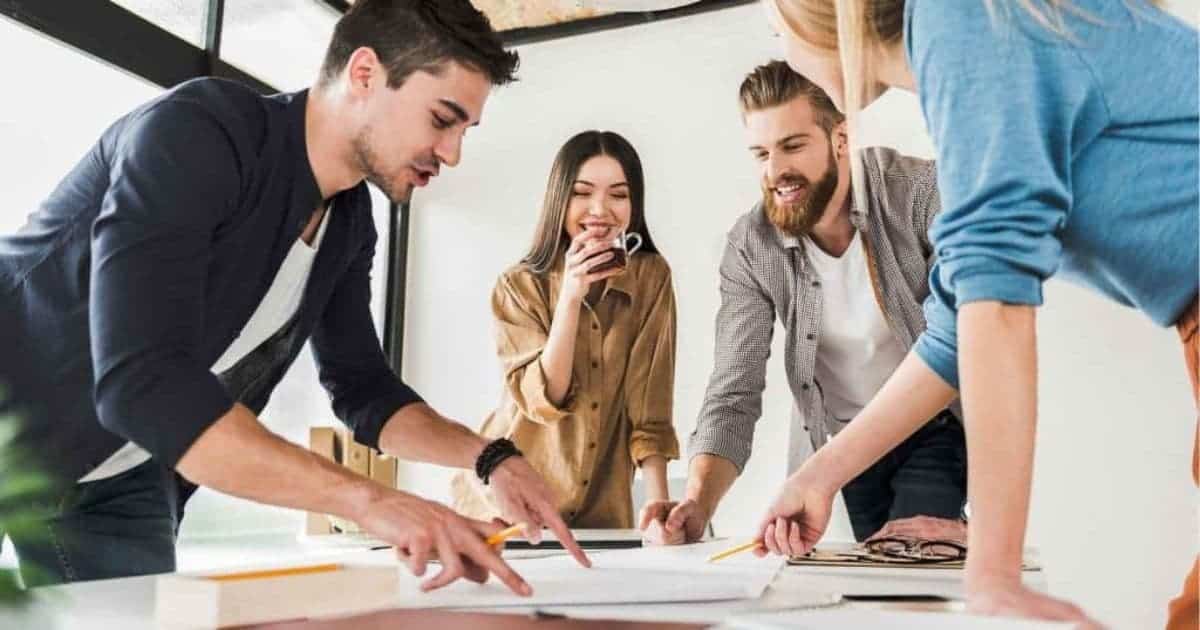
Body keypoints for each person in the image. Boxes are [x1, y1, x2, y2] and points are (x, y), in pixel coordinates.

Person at [0, 0, 590, 592]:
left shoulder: (351, 222)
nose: (453, 152)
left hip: (116, 473)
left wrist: (490, 458)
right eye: (442, 119)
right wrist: (373, 503)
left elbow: (364, 391)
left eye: (465, 130)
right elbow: (144, 383)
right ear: (365, 74)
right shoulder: (199, 131)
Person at [757, 1, 1197, 627]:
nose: (781, 46)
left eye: (776, 27)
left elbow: (996, 305)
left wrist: (993, 575)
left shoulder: (959, 17)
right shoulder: (968, 41)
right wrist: (820, 475)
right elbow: (958, 327)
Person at [640, 60, 966, 547]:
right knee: (880, 585)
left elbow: (964, 340)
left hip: (935, 427)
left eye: (793, 146)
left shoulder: (918, 194)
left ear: (840, 139)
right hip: (849, 447)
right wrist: (699, 504)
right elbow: (734, 390)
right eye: (760, 153)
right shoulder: (751, 248)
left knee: (911, 561)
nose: (775, 172)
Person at [452, 130, 680, 529]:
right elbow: (544, 400)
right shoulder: (518, 286)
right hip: (504, 509)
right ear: (560, 198)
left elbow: (650, 408)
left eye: (619, 194)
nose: (600, 209)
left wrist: (659, 510)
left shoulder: (650, 277)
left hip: (601, 514)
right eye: (582, 192)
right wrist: (571, 298)